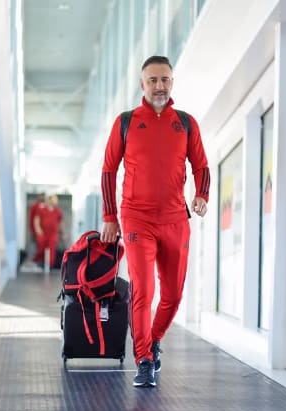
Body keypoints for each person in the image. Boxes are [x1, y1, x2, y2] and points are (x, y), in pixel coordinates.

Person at [100, 55, 210, 387]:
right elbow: (108, 170)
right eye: (153, 80)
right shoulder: (126, 121)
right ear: (142, 85)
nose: (159, 86)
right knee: (143, 290)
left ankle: (154, 337)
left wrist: (202, 194)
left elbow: (201, 166)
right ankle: (144, 358)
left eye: (165, 80)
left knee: (174, 295)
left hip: (176, 219)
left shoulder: (186, 122)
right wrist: (110, 216)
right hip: (137, 219)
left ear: (172, 82)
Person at [33, 194, 63, 268]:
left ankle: (50, 265)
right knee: (41, 248)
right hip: (43, 233)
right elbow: (36, 220)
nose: (55, 201)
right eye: (53, 199)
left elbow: (60, 222)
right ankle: (38, 261)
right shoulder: (42, 209)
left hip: (53, 233)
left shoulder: (58, 211)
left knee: (52, 249)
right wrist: (38, 230)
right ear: (49, 200)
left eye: (56, 200)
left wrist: (61, 232)